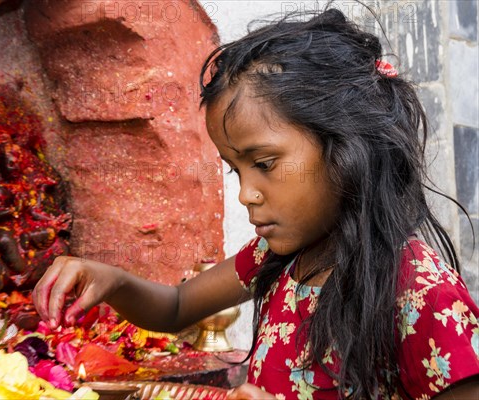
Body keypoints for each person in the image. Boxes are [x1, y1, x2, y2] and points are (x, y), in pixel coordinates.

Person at [33, 7, 479, 399]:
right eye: (235, 169)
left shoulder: (422, 296)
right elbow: (175, 308)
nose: (247, 193)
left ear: (347, 150)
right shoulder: (277, 258)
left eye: (264, 163)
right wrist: (110, 281)